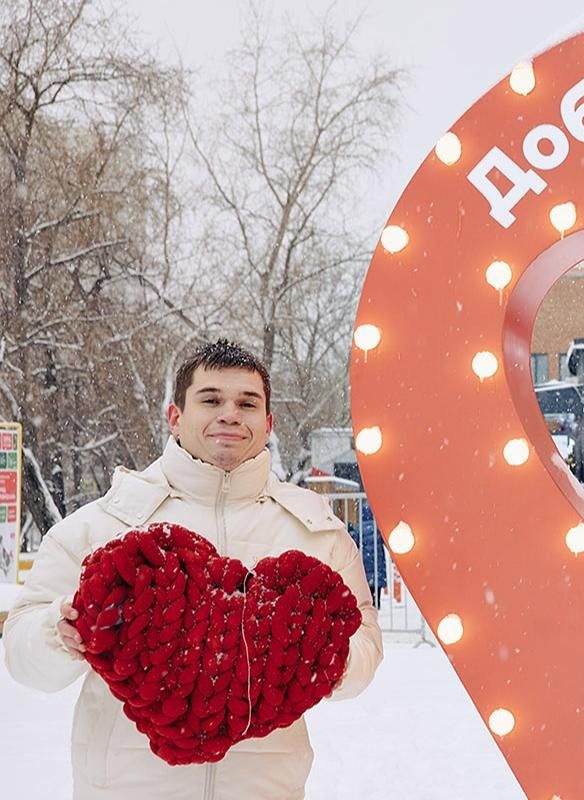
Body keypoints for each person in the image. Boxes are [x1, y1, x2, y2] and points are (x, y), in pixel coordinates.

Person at [3, 339, 383, 800]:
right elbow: (21, 656)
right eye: (211, 400)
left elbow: (365, 644)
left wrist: (324, 656)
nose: (230, 415)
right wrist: (59, 630)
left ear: (268, 423)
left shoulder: (317, 532)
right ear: (175, 416)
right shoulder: (104, 525)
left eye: (247, 403)